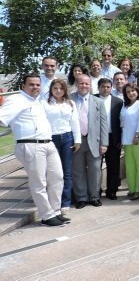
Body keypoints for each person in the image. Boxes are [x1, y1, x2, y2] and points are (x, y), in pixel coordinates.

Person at [0, 74, 69, 226]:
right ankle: (47, 215)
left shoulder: (38, 101)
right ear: (23, 86)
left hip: (48, 143)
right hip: (30, 145)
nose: (35, 87)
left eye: (38, 85)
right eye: (31, 84)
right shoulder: (16, 100)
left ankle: (56, 211)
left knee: (57, 177)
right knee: (39, 183)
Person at [43, 79, 81, 215]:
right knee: (53, 172)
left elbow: (75, 122)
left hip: (67, 138)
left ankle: (65, 202)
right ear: (51, 90)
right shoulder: (44, 104)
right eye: (55, 88)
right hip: (51, 139)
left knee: (67, 172)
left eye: (61, 88)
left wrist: (77, 141)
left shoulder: (70, 104)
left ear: (65, 90)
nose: (58, 91)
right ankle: (53, 202)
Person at [71, 74, 109, 209]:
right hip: (76, 142)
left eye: (87, 84)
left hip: (95, 142)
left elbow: (104, 124)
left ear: (90, 85)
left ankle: (94, 197)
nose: (84, 86)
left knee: (95, 170)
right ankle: (81, 198)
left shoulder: (98, 102)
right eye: (81, 83)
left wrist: (104, 143)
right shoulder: (69, 100)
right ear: (76, 84)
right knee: (78, 170)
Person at [120, 83, 139, 201]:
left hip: (138, 139)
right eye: (128, 92)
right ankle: (132, 189)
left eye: (133, 90)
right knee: (130, 165)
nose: (131, 93)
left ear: (137, 91)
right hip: (127, 139)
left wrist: (137, 135)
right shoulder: (125, 105)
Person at [96, 78, 123, 200]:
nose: (105, 89)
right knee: (96, 166)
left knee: (113, 166)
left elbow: (120, 121)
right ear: (98, 87)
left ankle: (111, 190)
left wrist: (119, 139)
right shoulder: (92, 99)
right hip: (97, 138)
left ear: (111, 87)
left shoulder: (118, 102)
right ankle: (96, 191)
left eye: (108, 86)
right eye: (103, 86)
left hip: (113, 137)